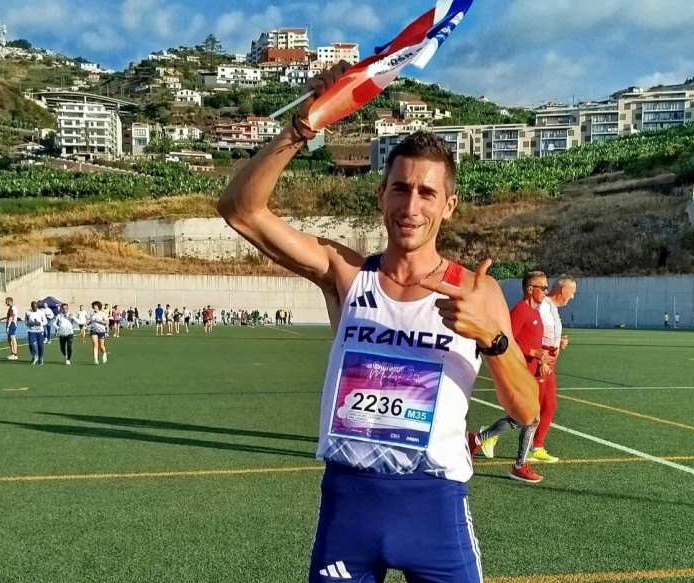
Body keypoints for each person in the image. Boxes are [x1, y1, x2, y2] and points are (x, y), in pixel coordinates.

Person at [218, 66, 539, 583]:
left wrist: (493, 340)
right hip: (350, 507)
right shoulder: (345, 274)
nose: (411, 207)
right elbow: (240, 210)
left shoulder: (478, 292)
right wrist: (303, 126)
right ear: (381, 195)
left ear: (449, 206)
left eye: (427, 193)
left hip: (434, 509)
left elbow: (526, 411)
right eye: (400, 189)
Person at [471, 271, 554, 484]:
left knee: (520, 419)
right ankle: (519, 466)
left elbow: (532, 343)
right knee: (531, 419)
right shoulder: (520, 311)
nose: (546, 291)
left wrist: (541, 360)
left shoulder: (535, 313)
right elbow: (506, 341)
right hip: (518, 373)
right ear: (530, 289)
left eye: (546, 287)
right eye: (543, 287)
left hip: (531, 374)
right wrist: (533, 353)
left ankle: (478, 439)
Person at [527, 275, 576, 463]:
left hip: (550, 362)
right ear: (563, 290)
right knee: (531, 408)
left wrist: (558, 342)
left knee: (550, 405)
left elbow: (547, 333)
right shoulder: (542, 306)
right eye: (572, 292)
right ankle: (486, 436)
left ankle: (536, 446)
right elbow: (533, 334)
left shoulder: (552, 308)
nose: (572, 297)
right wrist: (541, 360)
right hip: (541, 361)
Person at [25, 301, 47, 365]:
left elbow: (45, 321)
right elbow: (26, 321)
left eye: (36, 306)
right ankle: (35, 356)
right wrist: (29, 324)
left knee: (40, 345)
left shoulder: (41, 312)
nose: (35, 308)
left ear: (37, 306)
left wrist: (39, 323)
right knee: (31, 344)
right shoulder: (27, 312)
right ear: (31, 306)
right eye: (33, 307)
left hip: (39, 331)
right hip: (31, 331)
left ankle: (40, 357)